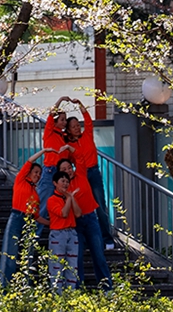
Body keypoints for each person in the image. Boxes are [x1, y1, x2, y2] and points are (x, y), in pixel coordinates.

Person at [0, 148, 53, 287]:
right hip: (17, 217)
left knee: (27, 254)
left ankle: (25, 286)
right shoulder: (21, 180)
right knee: (10, 253)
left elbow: (37, 217)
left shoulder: (35, 194)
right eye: (35, 172)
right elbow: (30, 161)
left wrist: (52, 223)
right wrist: (44, 151)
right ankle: (3, 288)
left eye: (40, 174)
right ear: (29, 172)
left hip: (28, 221)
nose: (38, 175)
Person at [65, 100, 114, 249]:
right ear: (68, 130)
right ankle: (84, 239)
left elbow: (87, 119)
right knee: (82, 206)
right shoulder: (69, 145)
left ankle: (107, 239)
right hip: (81, 174)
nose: (77, 128)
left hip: (94, 171)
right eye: (73, 127)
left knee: (100, 204)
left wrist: (79, 103)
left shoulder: (87, 135)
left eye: (77, 125)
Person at [57, 158, 112, 289]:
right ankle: (77, 288)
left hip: (91, 218)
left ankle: (107, 288)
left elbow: (79, 156)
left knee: (99, 254)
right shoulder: (62, 187)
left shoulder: (80, 173)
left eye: (69, 167)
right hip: (75, 223)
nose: (68, 171)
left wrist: (68, 146)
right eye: (63, 170)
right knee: (77, 257)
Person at [37, 97, 73, 231]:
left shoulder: (63, 138)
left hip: (61, 174)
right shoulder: (49, 132)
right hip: (50, 172)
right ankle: (29, 245)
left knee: (61, 205)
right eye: (62, 120)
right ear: (56, 121)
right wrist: (61, 100)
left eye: (65, 119)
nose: (64, 122)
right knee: (42, 208)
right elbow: (51, 114)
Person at [47, 169, 81, 292]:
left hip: (72, 233)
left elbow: (78, 213)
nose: (65, 184)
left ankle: (70, 294)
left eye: (67, 181)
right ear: (55, 183)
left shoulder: (69, 197)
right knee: (57, 266)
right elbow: (64, 213)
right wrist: (69, 198)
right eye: (62, 181)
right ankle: (57, 296)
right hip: (58, 234)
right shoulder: (52, 200)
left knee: (72, 266)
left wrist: (71, 198)